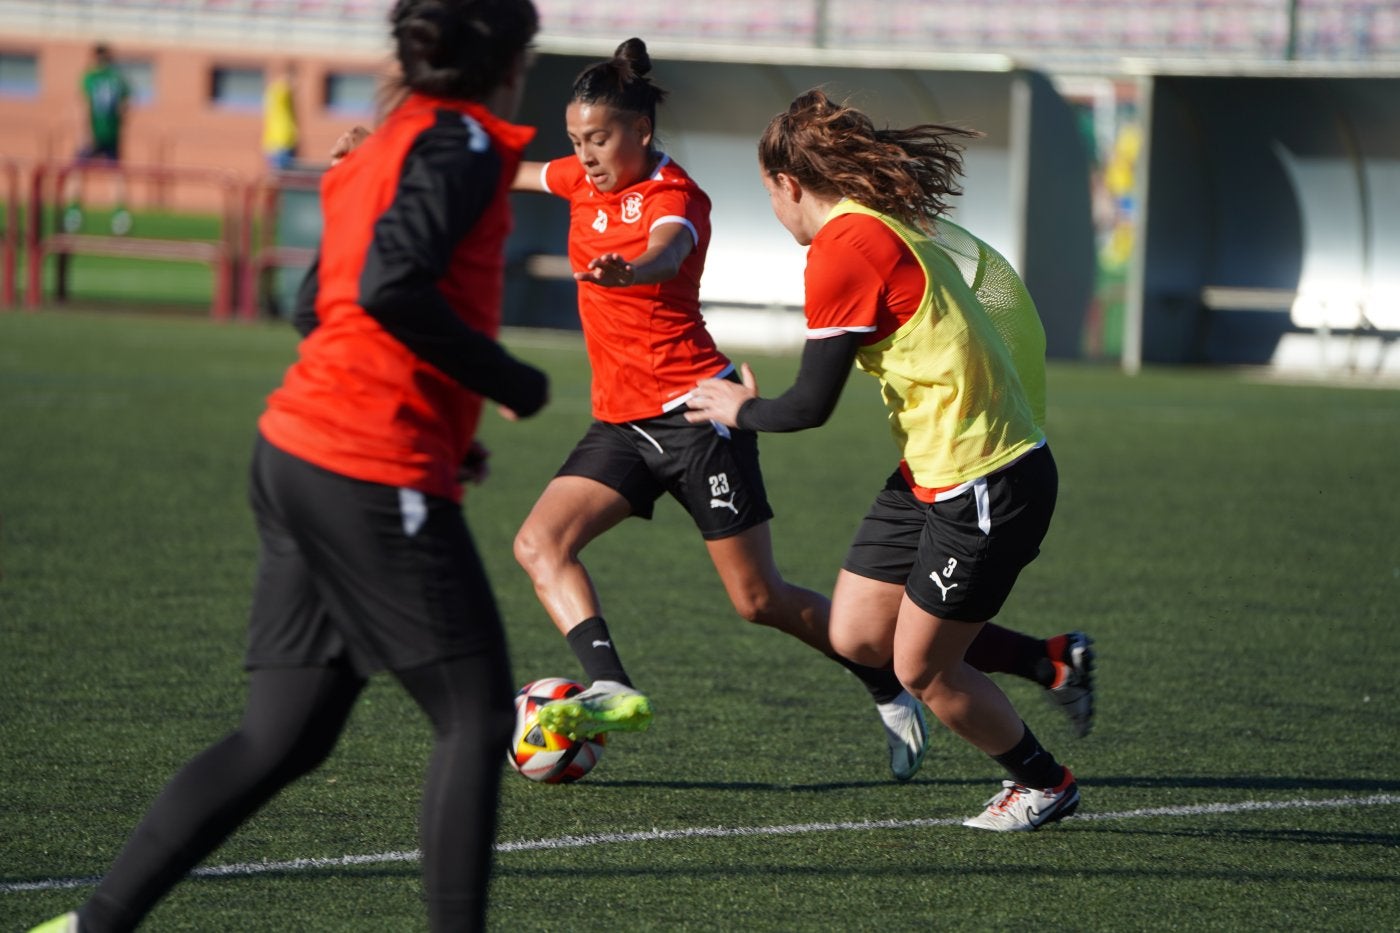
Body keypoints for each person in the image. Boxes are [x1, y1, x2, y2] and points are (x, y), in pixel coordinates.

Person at [28, 2, 548, 931]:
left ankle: (94, 924)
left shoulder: (380, 144)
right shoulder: (460, 145)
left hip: (298, 450)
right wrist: (504, 376)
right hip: (363, 461)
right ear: (512, 65)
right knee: (474, 717)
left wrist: (437, 412)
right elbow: (389, 287)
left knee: (286, 732)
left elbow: (320, 300)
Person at [506, 39, 933, 780]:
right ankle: (610, 682)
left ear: (640, 131)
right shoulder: (579, 180)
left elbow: (668, 253)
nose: (587, 154)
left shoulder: (677, 196)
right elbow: (500, 173)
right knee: (540, 544)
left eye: (599, 138)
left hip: (700, 416)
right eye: (576, 141)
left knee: (757, 598)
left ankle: (886, 683)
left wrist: (629, 269)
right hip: (621, 422)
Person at [685, 89, 1083, 831]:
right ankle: (1046, 661)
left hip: (985, 480)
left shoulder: (842, 249)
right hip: (930, 471)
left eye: (768, 195)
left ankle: (1044, 782)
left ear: (788, 185)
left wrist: (737, 410)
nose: (774, 212)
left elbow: (809, 404)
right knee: (857, 634)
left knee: (922, 670)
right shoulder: (877, 224)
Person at [64, 42, 131, 235]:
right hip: (112, 133)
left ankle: (73, 213)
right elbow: (124, 107)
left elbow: (84, 106)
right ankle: (120, 216)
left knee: (77, 171)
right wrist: (118, 128)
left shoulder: (91, 77)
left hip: (94, 132)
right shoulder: (118, 79)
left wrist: (85, 132)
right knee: (116, 174)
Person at [262, 60, 299, 171]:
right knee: (283, 176)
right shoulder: (280, 92)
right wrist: (290, 81)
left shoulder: (275, 92)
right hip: (281, 142)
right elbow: (285, 88)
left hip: (276, 142)